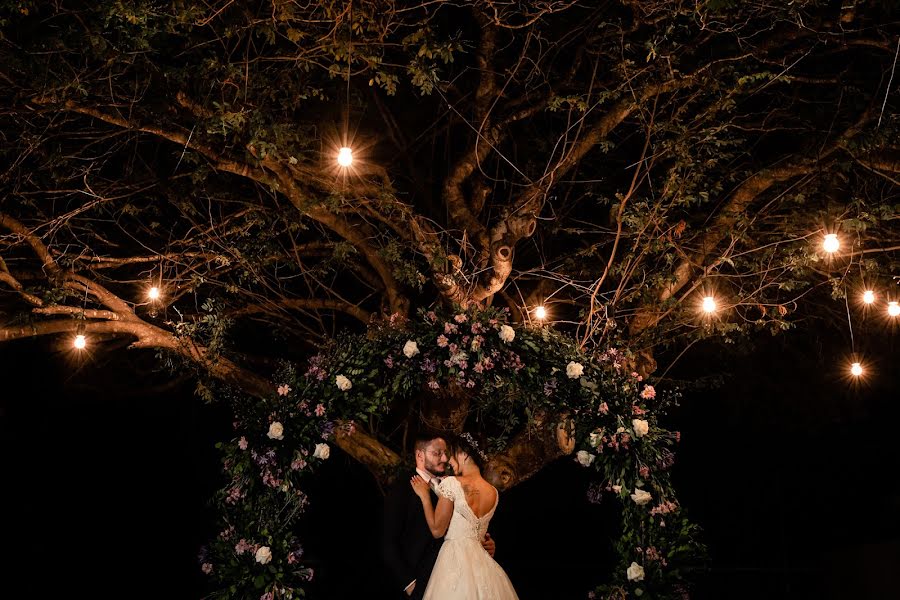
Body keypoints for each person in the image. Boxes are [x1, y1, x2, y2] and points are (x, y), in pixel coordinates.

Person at [383, 432, 496, 599]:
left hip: (455, 581)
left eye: (445, 453)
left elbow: (466, 524)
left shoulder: (452, 484)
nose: (444, 458)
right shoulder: (402, 488)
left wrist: (483, 543)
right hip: (418, 583)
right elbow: (387, 542)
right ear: (420, 455)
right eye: (437, 453)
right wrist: (409, 583)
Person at [410, 432, 519, 600]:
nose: (449, 461)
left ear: (464, 454)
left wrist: (425, 496)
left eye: (451, 455)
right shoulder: (493, 493)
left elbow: (437, 530)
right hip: (483, 566)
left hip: (453, 562)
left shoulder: (452, 484)